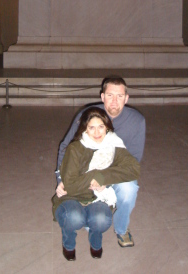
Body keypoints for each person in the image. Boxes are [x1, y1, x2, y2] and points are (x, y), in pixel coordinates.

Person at [55, 76, 146, 248]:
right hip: (84, 171)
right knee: (80, 216)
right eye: (110, 95)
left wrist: (105, 178)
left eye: (120, 96)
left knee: (129, 190)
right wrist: (61, 179)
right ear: (102, 96)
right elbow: (66, 146)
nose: (114, 101)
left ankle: (121, 228)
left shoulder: (137, 121)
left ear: (127, 98)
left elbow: (133, 162)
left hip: (114, 172)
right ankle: (90, 210)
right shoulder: (88, 115)